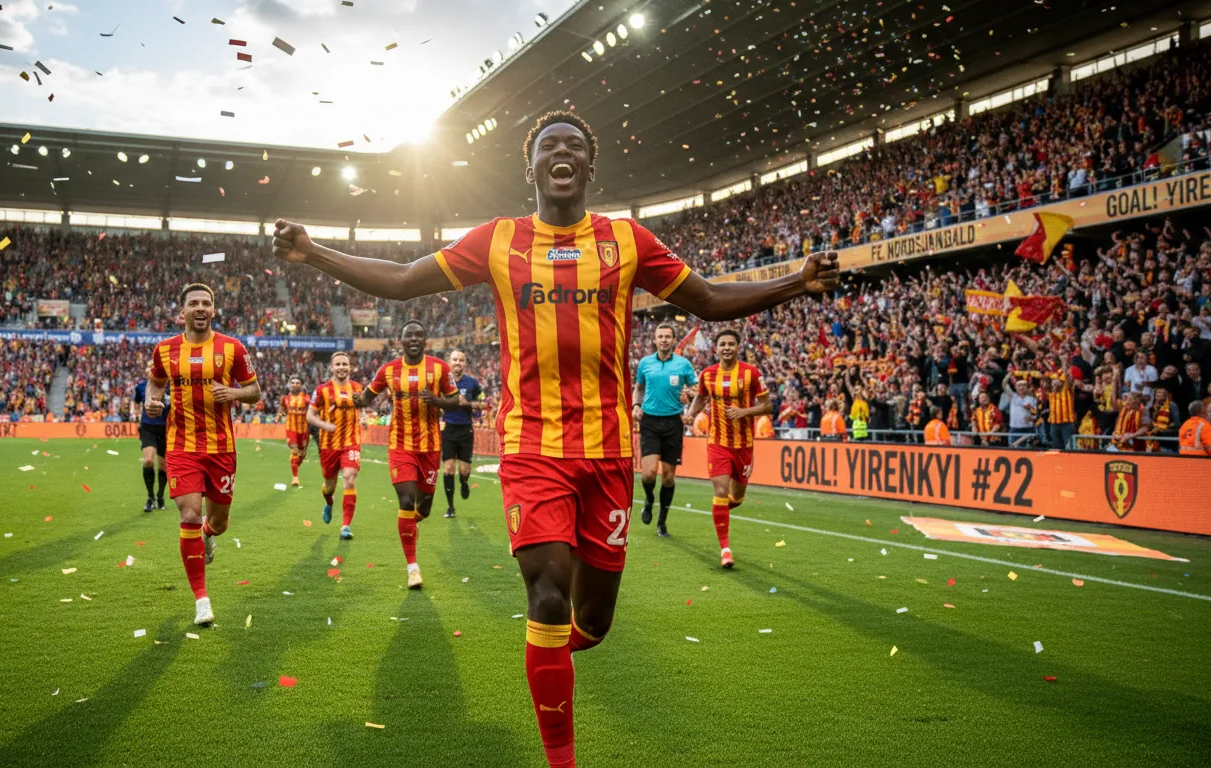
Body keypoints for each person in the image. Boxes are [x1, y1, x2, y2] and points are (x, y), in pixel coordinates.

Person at [272, 110, 838, 768]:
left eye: (574, 145)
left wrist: (797, 283)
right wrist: (313, 252)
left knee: (592, 623)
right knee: (546, 594)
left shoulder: (626, 240)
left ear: (589, 166)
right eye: (549, 146)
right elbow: (401, 281)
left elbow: (707, 299)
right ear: (532, 167)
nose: (561, 152)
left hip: (608, 455)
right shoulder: (499, 240)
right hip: (532, 449)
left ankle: (550, 659)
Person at [144, 283, 261, 626]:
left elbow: (255, 391)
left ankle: (209, 535)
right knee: (190, 514)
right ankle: (201, 600)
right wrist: (152, 401)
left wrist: (233, 393)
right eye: (193, 303)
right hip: (181, 446)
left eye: (205, 303)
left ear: (213, 310)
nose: (200, 308)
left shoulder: (232, 347)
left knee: (218, 522)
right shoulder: (165, 350)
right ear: (182, 312)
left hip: (221, 449)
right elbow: (156, 382)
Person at [356, 321, 462, 589]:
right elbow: (367, 396)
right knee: (406, 500)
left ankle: (408, 528)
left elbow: (455, 400)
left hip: (430, 447)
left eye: (418, 335)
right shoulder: (388, 370)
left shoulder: (440, 368)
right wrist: (355, 399)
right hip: (400, 445)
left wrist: (436, 401)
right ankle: (413, 568)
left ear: (425, 341)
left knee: (423, 509)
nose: (414, 339)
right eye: (408, 335)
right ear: (400, 341)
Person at [685, 329, 770, 568]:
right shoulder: (707, 374)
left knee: (737, 498)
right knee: (720, 490)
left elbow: (767, 406)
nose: (727, 348)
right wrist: (690, 414)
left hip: (743, 444)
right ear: (716, 348)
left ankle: (720, 512)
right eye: (722, 344)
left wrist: (744, 412)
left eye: (731, 344)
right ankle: (725, 550)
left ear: (738, 347)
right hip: (717, 442)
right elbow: (701, 397)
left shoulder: (751, 373)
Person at [632, 323, 697, 537]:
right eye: (660, 336)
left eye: (668, 336)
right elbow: (639, 388)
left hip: (673, 423)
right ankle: (649, 499)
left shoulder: (683, 364)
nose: (664, 340)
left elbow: (696, 388)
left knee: (668, 477)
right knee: (649, 473)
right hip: (650, 421)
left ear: (673, 339)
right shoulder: (645, 363)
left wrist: (688, 393)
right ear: (655, 339)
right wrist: (636, 405)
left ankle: (662, 522)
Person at [308, 351, 364, 538]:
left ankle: (345, 526)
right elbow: (310, 415)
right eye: (338, 364)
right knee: (329, 487)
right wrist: (325, 425)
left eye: (344, 364)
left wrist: (363, 418)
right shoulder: (321, 390)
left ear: (350, 367)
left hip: (351, 443)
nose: (341, 367)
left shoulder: (357, 388)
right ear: (331, 367)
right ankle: (329, 502)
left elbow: (361, 408)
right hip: (329, 445)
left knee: (349, 478)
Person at [441, 349, 485, 518]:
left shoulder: (472, 383)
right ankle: (450, 507)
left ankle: (464, 482)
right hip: (449, 429)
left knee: (464, 471)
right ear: (449, 362)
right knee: (448, 469)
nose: (458, 363)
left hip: (466, 430)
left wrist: (468, 404)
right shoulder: (443, 382)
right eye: (455, 360)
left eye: (461, 360)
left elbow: (483, 402)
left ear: (465, 363)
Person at [133, 370, 169, 512]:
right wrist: (137, 417)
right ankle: (150, 497)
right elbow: (136, 402)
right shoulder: (141, 387)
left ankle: (160, 496)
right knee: (148, 460)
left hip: (166, 429)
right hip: (148, 427)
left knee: (163, 466)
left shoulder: (170, 387)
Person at [280, 375, 311, 486]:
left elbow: (313, 410)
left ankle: (295, 465)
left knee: (302, 454)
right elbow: (282, 409)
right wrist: (280, 415)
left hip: (304, 429)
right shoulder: (285, 398)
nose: (295, 385)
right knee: (294, 450)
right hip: (291, 428)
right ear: (289, 385)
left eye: (297, 383)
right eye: (292, 383)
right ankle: (295, 477)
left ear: (301, 385)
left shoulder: (307, 398)